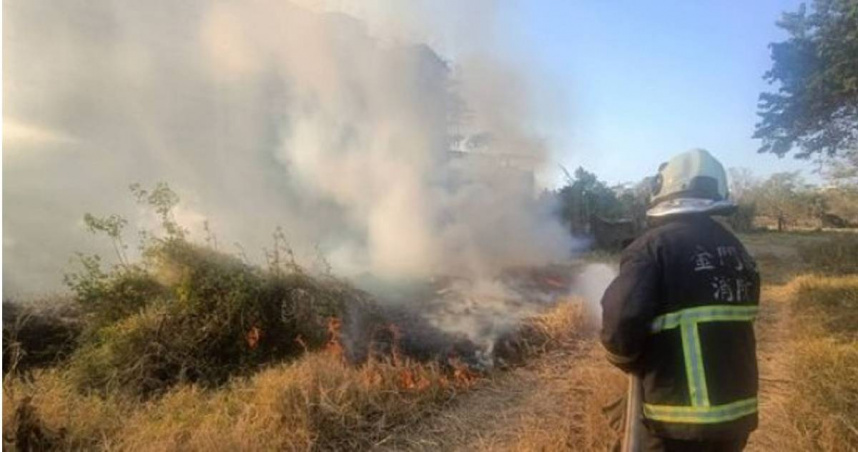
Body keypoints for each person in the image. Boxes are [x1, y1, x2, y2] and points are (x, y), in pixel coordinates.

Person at [600, 149, 760, 452]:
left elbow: (620, 322)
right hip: (737, 415)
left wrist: (625, 359)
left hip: (675, 420)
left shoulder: (653, 247)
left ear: (665, 188)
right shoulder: (737, 249)